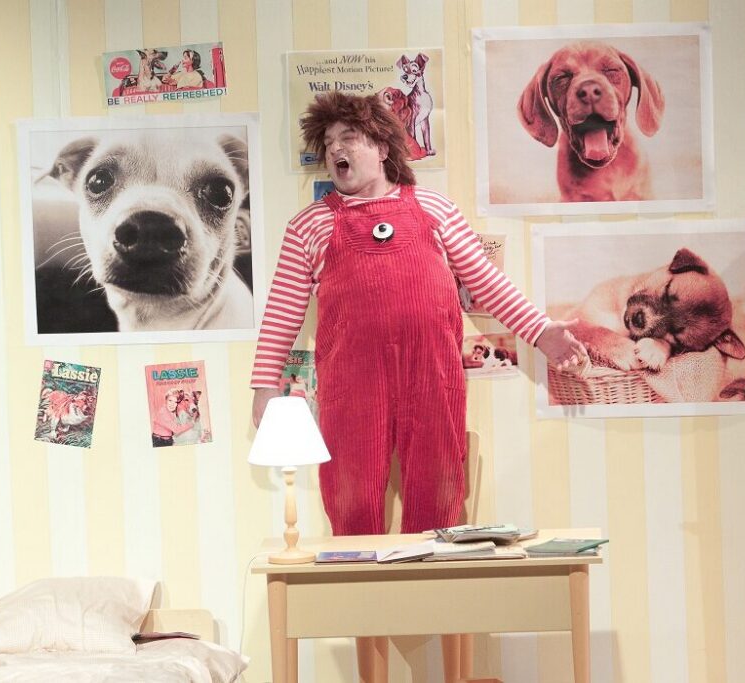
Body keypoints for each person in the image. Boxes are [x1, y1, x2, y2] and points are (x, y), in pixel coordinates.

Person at [249, 91, 587, 678]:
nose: (336, 151)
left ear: (382, 147)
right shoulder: (310, 224)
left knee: (440, 498)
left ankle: (443, 639)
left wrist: (544, 333)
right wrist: (263, 386)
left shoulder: (432, 208)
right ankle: (368, 651)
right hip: (351, 385)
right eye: (327, 144)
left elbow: (486, 284)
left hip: (433, 376)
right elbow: (282, 309)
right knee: (351, 504)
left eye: (348, 139)